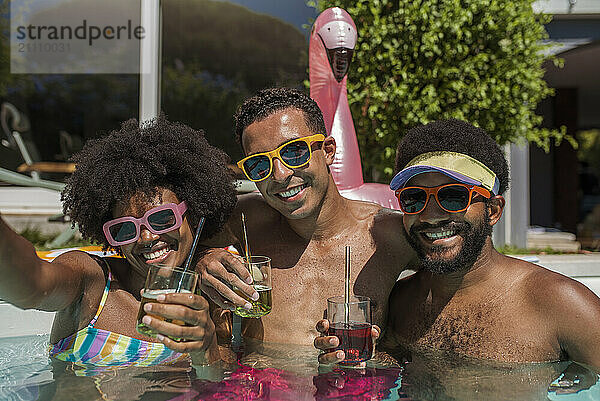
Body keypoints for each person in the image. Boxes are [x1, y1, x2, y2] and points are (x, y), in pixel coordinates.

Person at [316, 119, 600, 367]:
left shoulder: (562, 304)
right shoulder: (401, 303)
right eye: (414, 198)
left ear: (493, 210)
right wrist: (351, 363)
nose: (430, 215)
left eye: (453, 196)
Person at [0, 116, 237, 368]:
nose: (146, 237)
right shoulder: (92, 282)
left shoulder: (215, 298)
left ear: (195, 212)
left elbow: (218, 387)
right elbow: (33, 284)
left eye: (162, 218)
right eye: (124, 229)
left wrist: (206, 347)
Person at [197, 87, 416, 346]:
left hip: (358, 384)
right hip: (258, 381)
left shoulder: (388, 235)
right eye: (259, 164)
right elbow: (169, 243)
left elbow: (466, 272)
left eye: (293, 152)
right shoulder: (248, 220)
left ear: (328, 150)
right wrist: (204, 258)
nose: (279, 175)